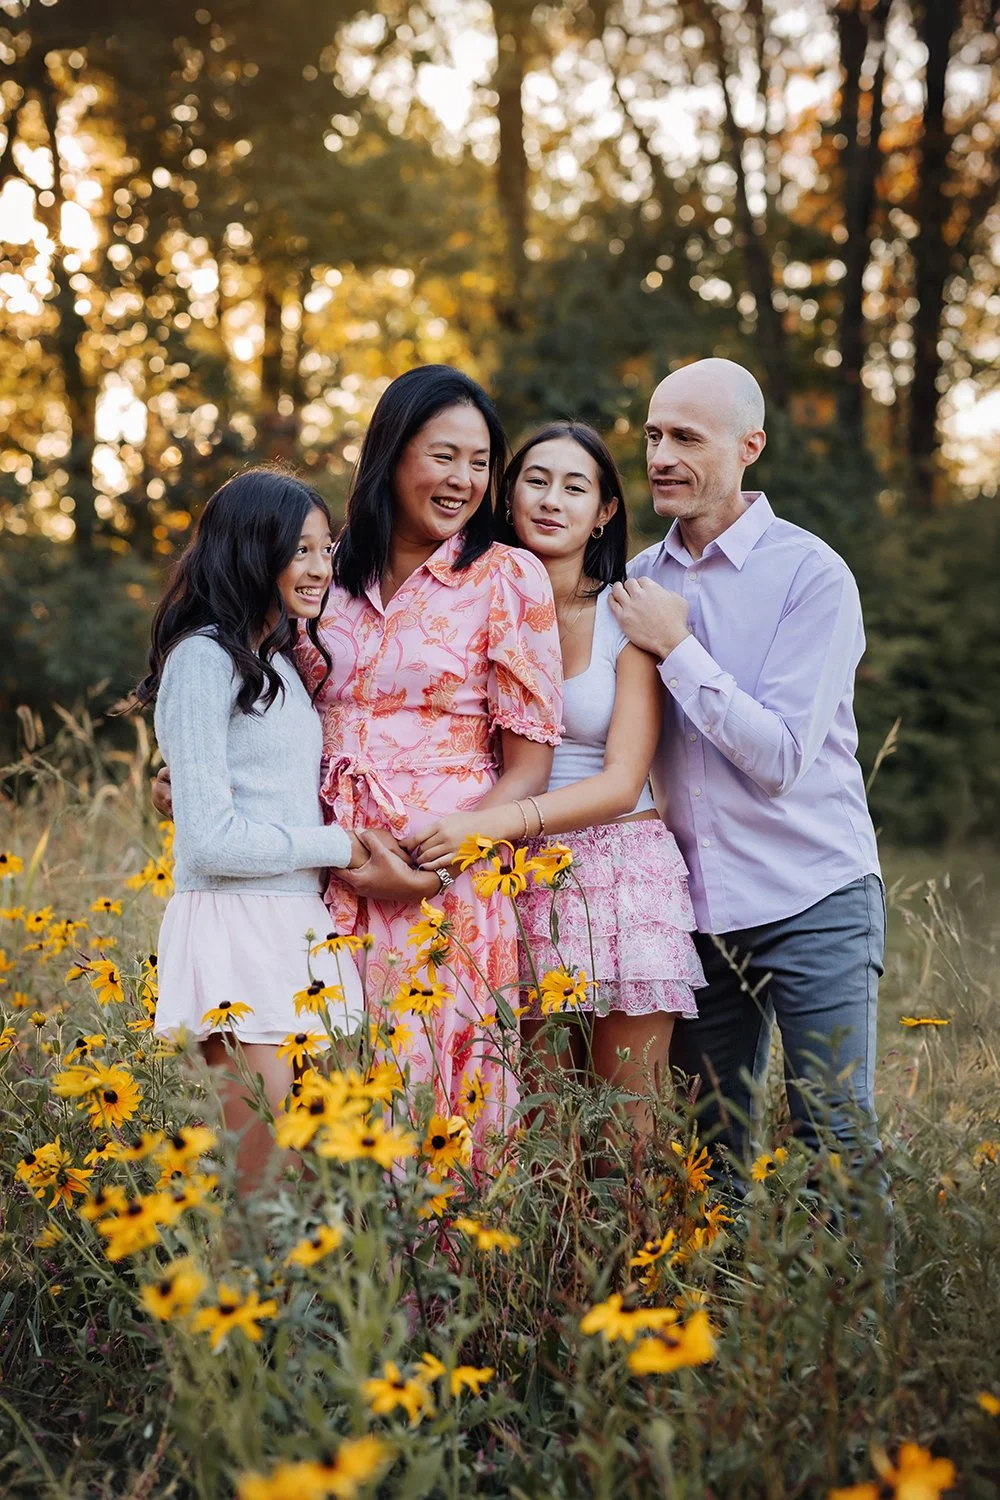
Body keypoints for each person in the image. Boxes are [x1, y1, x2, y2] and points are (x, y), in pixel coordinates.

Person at [609, 357, 884, 1181]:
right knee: (705, 1153)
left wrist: (679, 645)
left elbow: (781, 760)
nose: (661, 455)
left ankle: (858, 1313)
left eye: (686, 437)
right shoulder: (636, 583)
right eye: (654, 435)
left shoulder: (812, 575)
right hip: (693, 909)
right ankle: (724, 1311)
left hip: (814, 896)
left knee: (831, 1142)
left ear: (748, 447)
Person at [408, 422, 704, 1149]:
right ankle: (553, 1269)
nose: (551, 500)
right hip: (516, 876)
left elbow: (622, 780)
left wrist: (488, 828)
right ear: (508, 497)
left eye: (576, 487)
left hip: (618, 871)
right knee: (539, 1126)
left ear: (604, 511)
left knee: (627, 1134)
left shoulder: (624, 615)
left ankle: (642, 1264)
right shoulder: (463, 606)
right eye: (536, 481)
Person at [293, 366, 563, 1155]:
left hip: (444, 880)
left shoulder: (507, 577)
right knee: (326, 1093)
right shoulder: (324, 571)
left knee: (432, 1103)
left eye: (480, 463)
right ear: (392, 451)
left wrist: (438, 863)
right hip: (320, 871)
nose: (464, 481)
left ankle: (441, 1278)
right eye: (445, 456)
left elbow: (528, 768)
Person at [138, 468, 368, 1193]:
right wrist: (340, 846)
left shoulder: (281, 662)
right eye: (298, 549)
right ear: (250, 550)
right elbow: (210, 841)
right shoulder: (203, 659)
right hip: (236, 926)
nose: (318, 568)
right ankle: (238, 1305)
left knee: (309, 1178)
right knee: (262, 1179)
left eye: (325, 550)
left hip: (297, 924)